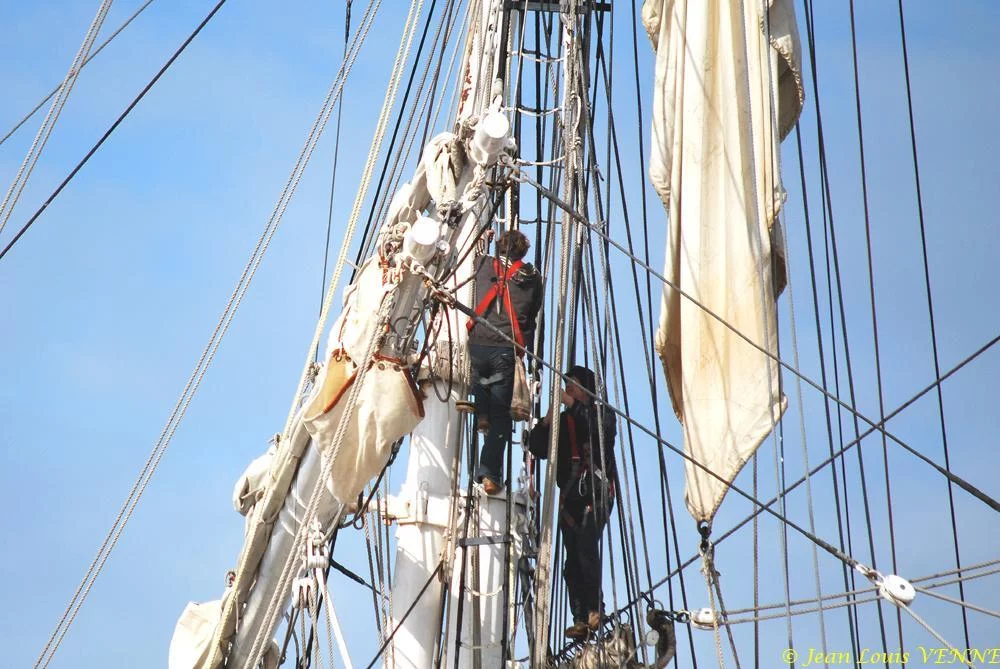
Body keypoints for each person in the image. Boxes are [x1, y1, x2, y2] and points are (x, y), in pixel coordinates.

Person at [528, 365, 617, 639]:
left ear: (587, 389)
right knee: (571, 562)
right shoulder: (563, 422)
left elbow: (599, 430)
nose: (568, 387)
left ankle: (594, 608)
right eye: (566, 383)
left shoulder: (602, 414)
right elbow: (537, 448)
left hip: (596, 493)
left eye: (574, 383)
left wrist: (573, 405)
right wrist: (547, 420)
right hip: (570, 500)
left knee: (587, 546)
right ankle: (579, 618)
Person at [466, 229, 543, 495]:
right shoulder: (532, 279)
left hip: (477, 342)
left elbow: (470, 253)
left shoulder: (482, 264)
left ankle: (481, 413)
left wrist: (484, 239)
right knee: (501, 415)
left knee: (480, 378)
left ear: (499, 246)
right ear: (523, 252)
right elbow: (532, 315)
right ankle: (490, 475)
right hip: (505, 348)